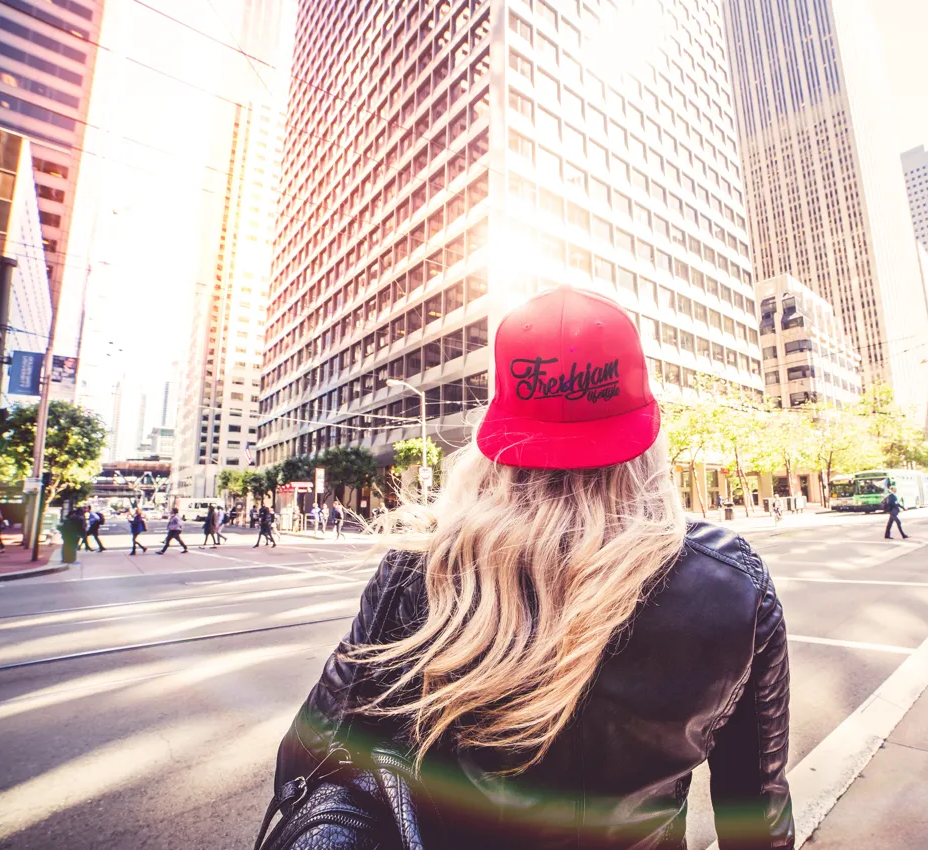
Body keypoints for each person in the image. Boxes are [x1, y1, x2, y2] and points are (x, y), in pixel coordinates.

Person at [268, 287, 794, 849]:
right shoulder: (735, 586)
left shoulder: (420, 567)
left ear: (495, 442)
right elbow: (757, 813)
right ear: (648, 437)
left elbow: (308, 759)